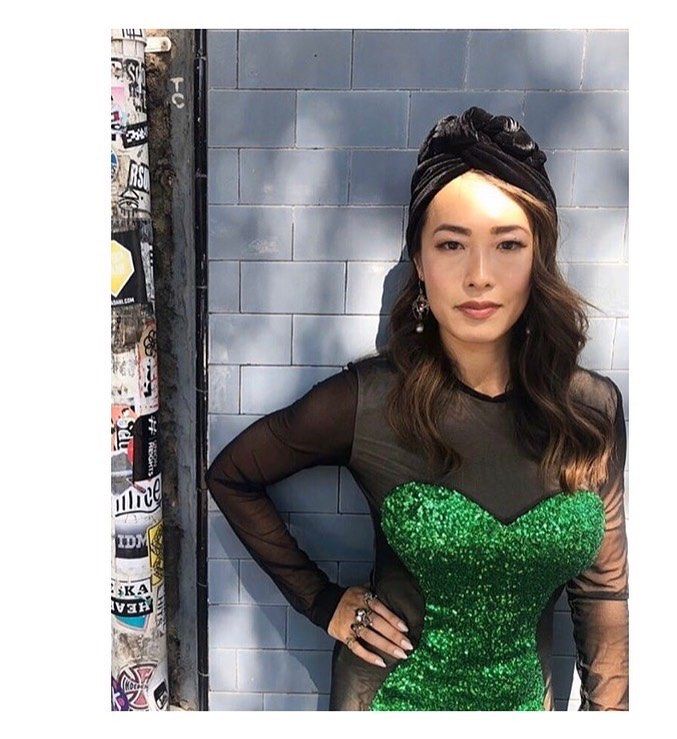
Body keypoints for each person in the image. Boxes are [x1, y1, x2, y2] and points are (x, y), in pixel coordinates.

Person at [205, 107, 628, 711]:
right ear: (420, 262)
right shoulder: (369, 402)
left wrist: (609, 714)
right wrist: (323, 602)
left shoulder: (591, 410)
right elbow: (232, 475)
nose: (479, 276)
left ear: (538, 258)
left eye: (508, 244)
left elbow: (603, 589)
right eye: (451, 244)